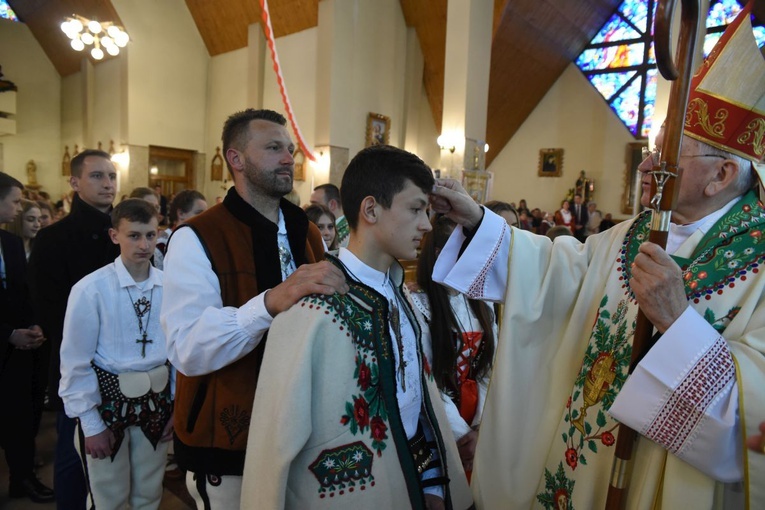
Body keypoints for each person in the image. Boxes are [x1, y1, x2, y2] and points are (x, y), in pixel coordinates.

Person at [429, 6, 764, 507]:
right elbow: (556, 274)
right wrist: (477, 220)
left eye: (671, 155)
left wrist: (678, 322)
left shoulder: (757, 265)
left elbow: (752, 413)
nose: (650, 164)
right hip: (585, 463)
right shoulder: (633, 234)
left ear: (721, 176)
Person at [241, 144, 471, 510]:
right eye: (415, 209)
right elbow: (274, 437)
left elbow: (417, 400)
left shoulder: (400, 293)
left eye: (426, 211)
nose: (426, 224)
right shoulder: (313, 304)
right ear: (370, 209)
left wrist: (434, 483)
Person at [161, 108, 348, 509]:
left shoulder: (308, 230)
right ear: (236, 159)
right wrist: (266, 304)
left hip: (306, 428)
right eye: (273, 148)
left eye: (290, 149)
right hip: (228, 433)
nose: (288, 158)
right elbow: (187, 348)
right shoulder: (197, 237)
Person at [58, 199, 173, 509]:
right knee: (109, 496)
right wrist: (91, 425)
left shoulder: (170, 286)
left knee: (149, 493)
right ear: (114, 236)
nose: (144, 244)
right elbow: (74, 362)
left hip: (157, 402)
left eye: (150, 235)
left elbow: (176, 353)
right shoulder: (91, 289)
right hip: (107, 406)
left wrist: (174, 405)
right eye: (133, 235)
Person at [28, 149, 120, 510]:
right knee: (74, 457)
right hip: (79, 362)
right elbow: (49, 308)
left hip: (129, 362)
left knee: (122, 458)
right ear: (74, 182)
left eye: (111, 176)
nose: (108, 183)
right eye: (97, 176)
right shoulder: (53, 239)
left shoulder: (126, 234)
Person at [408, 215, 496, 479]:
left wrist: (480, 427)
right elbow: (427, 380)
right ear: (441, 254)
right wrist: (462, 433)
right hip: (437, 419)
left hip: (479, 421)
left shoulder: (482, 301)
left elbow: (489, 369)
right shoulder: (417, 302)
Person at [0, 172, 54, 504]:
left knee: (21, 417)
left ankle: (22, 478)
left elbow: (24, 292)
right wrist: (7, 334)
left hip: (19, 349)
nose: (19, 208)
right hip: (5, 339)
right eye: (15, 201)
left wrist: (35, 327)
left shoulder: (9, 243)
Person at [153, 189, 207, 270]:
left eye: (206, 214)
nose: (204, 218)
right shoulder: (161, 244)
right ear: (181, 214)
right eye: (199, 213)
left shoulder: (199, 241)